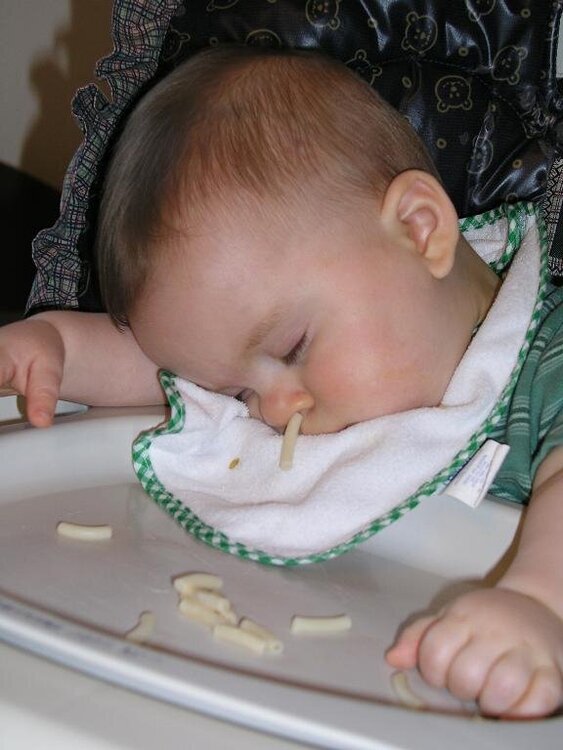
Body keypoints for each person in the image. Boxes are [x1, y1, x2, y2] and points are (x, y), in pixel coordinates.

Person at [1, 46, 562, 717]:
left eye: (292, 347)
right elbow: (175, 372)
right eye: (240, 391)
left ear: (418, 229)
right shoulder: (285, 364)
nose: (272, 410)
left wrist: (536, 602)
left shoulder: (543, 358)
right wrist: (56, 345)